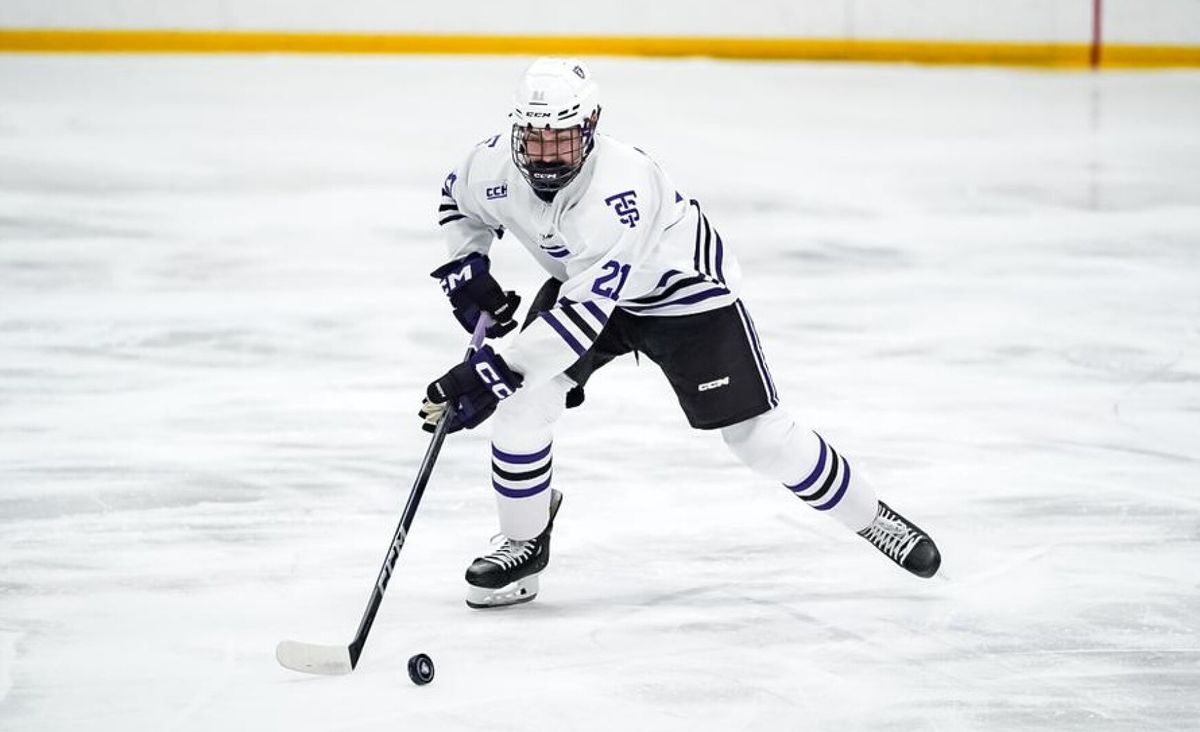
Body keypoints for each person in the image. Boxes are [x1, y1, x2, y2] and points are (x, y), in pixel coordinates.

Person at [419, 58, 941, 609]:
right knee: (523, 405)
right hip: (586, 287)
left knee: (759, 440)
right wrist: (467, 267)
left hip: (685, 299)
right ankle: (524, 546)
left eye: (563, 140)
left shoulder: (621, 191)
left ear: (591, 126)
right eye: (536, 140)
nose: (546, 156)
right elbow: (459, 202)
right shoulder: (493, 164)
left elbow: (578, 322)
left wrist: (493, 373)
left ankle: (872, 517)